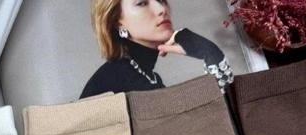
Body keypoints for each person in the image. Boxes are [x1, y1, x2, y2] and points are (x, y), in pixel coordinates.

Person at [81, 0, 233, 98]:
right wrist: (209, 52)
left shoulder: (149, 78)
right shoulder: (117, 78)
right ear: (118, 23)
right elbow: (198, 119)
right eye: (142, 3)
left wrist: (208, 51)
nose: (161, 9)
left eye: (161, 0)